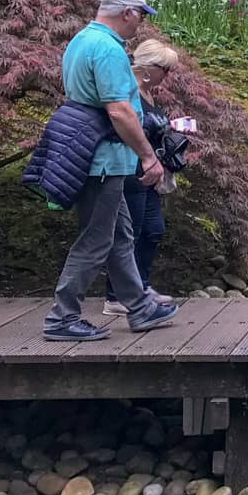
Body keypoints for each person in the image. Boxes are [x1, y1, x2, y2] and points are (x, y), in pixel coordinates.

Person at [39, 0, 181, 341]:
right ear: (128, 12)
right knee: (96, 240)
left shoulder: (81, 41)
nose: (141, 24)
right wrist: (148, 156)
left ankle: (140, 306)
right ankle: (62, 317)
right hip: (102, 162)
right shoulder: (107, 49)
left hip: (99, 158)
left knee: (120, 236)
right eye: (141, 16)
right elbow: (119, 110)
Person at [104, 40, 185, 317]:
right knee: (130, 233)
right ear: (150, 69)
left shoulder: (148, 94)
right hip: (132, 170)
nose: (168, 76)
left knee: (153, 230)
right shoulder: (129, 93)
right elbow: (126, 125)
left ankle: (142, 285)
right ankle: (116, 295)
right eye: (166, 69)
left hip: (151, 172)